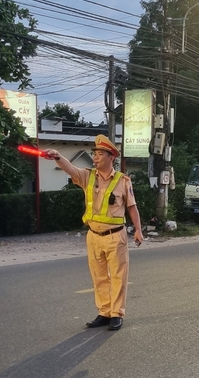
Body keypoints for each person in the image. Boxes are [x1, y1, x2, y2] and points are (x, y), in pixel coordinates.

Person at [44, 135, 144, 331]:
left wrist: (138, 230)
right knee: (98, 277)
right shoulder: (87, 176)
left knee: (117, 276)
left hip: (115, 236)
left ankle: (117, 314)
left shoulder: (122, 181)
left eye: (99, 154)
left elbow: (132, 207)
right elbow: (70, 168)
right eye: (94, 154)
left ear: (110, 158)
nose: (95, 157)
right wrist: (57, 156)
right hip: (93, 236)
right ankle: (104, 312)